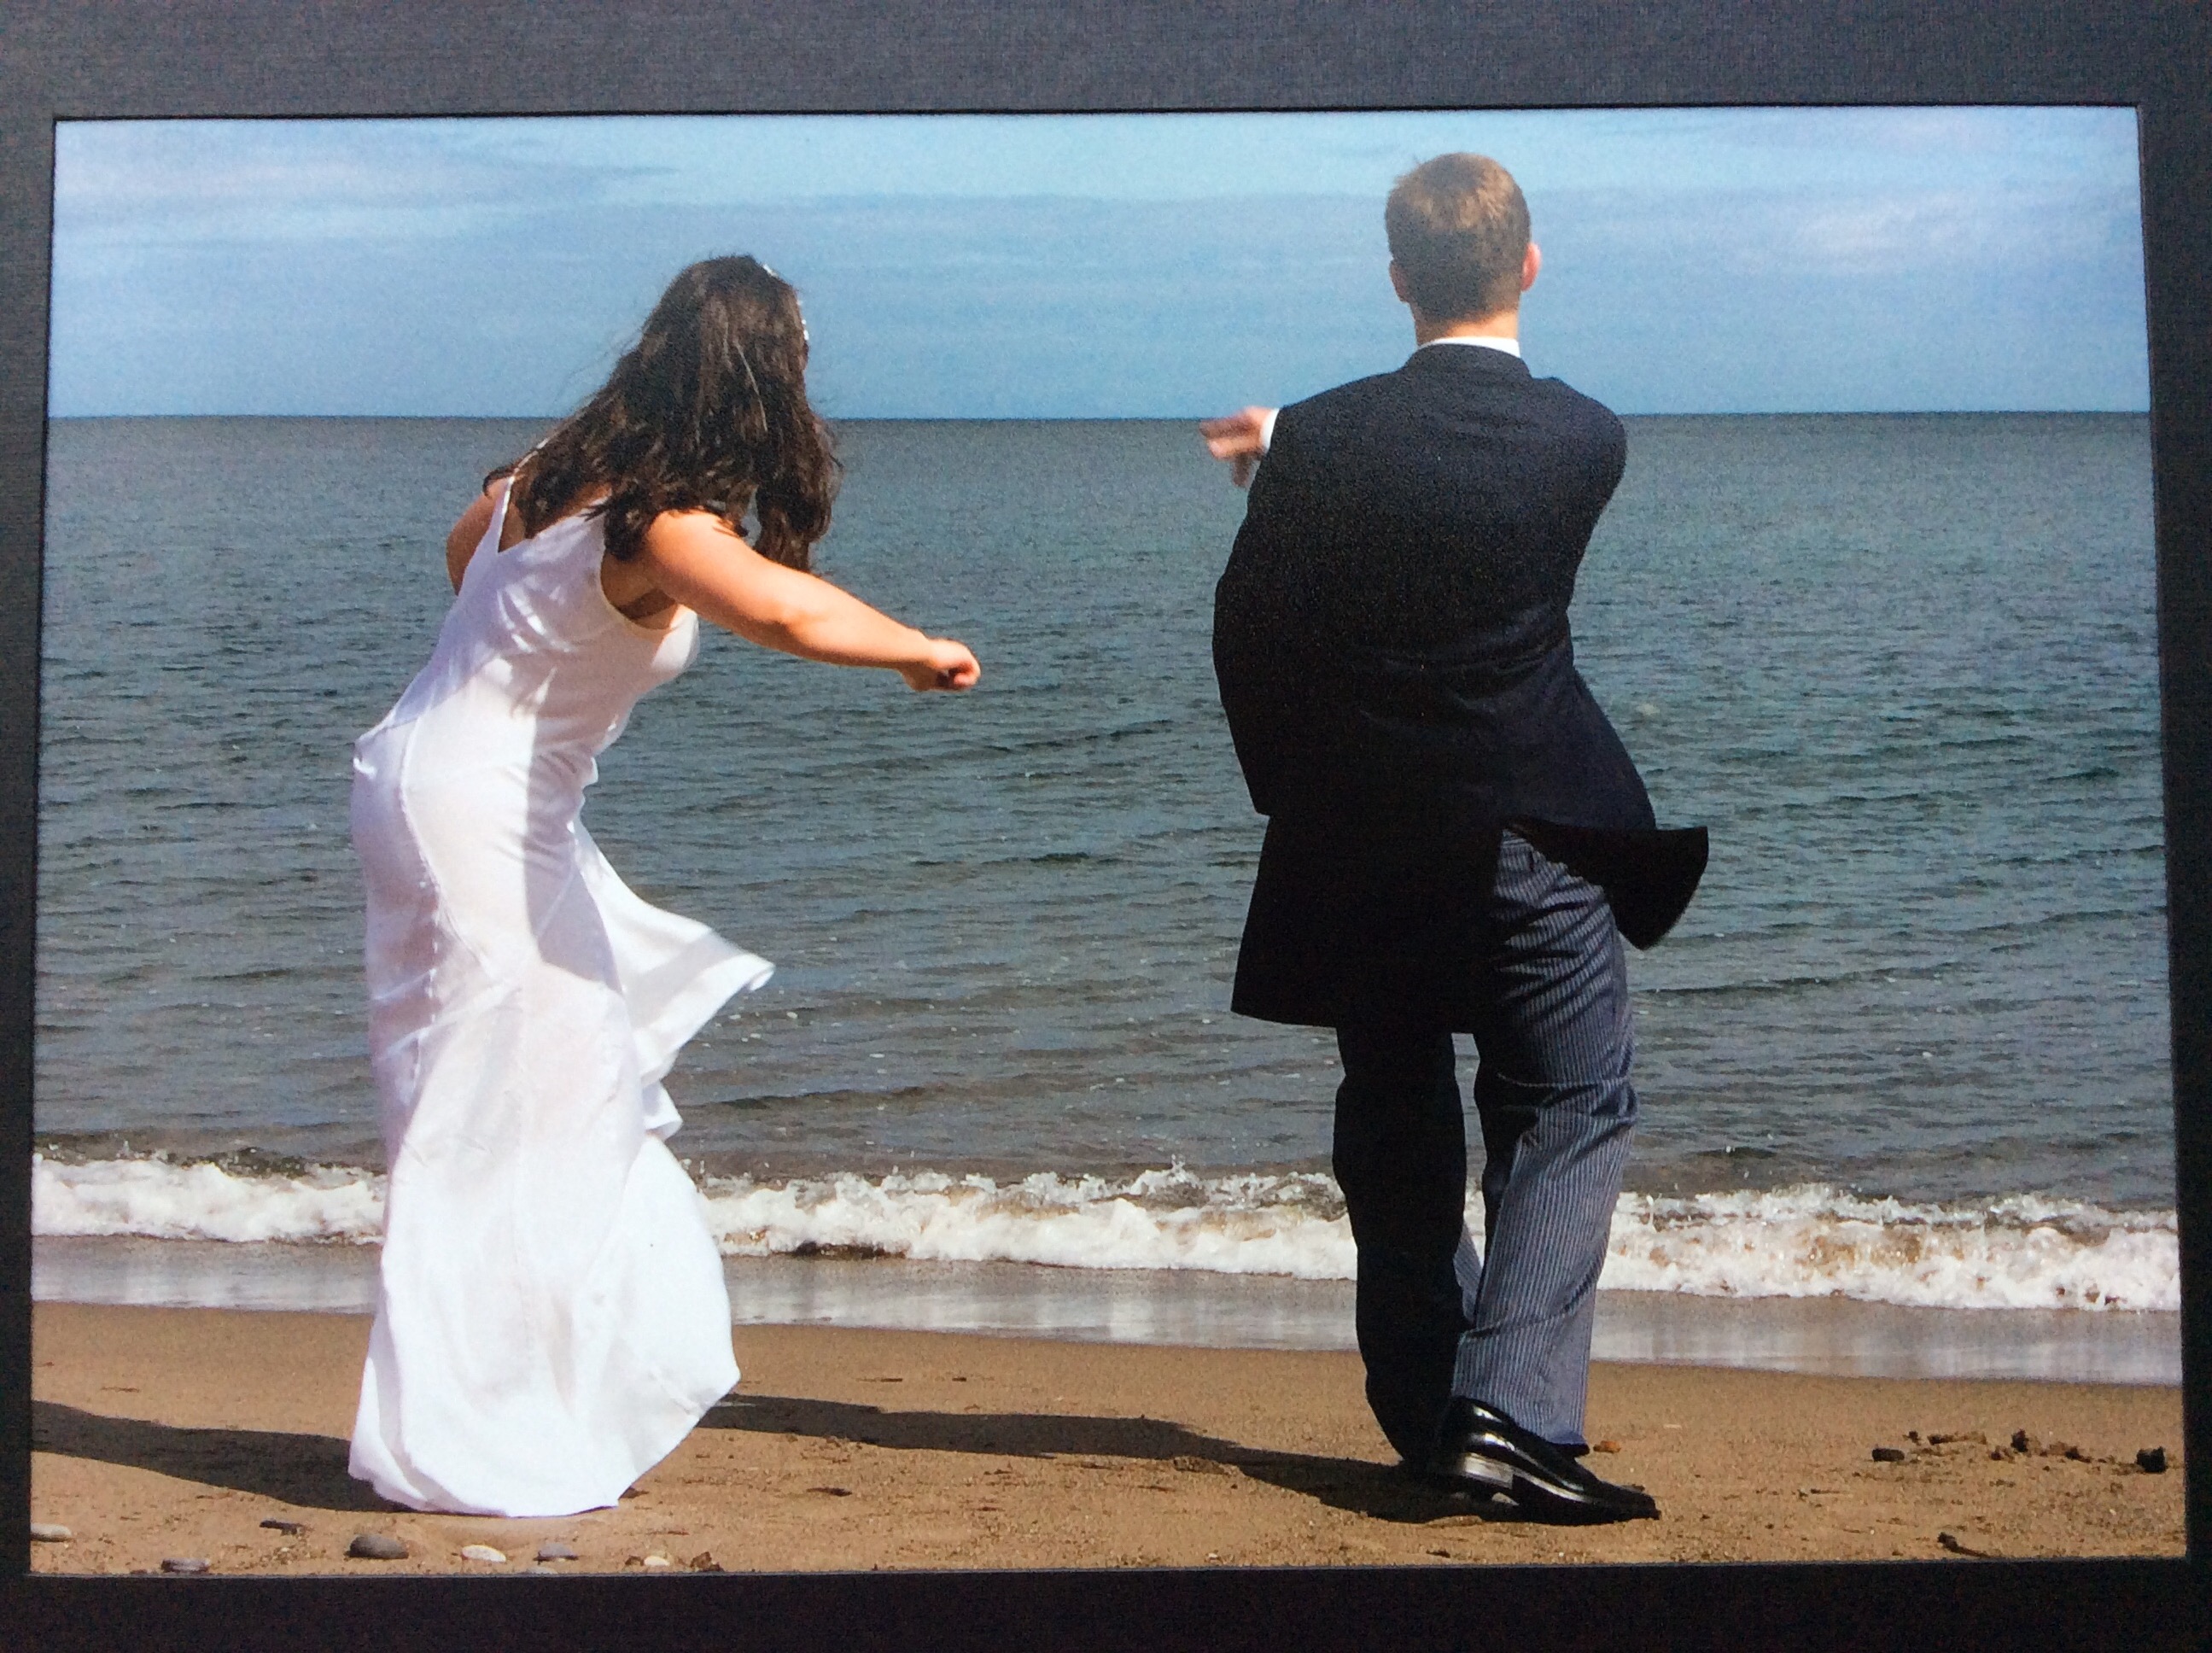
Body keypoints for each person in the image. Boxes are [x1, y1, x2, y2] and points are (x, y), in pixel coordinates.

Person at [347, 256, 979, 1518]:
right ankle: (470, 1428)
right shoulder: (656, 523)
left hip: (429, 781)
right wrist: (918, 650)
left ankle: (532, 1391)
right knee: (506, 1098)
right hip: (478, 811)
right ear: (756, 378)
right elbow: (783, 614)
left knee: (554, 1075)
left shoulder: (543, 478)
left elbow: (465, 558)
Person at [1202, 155, 1704, 1524]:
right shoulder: (1586, 439)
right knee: (1569, 1100)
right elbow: (1455, 489)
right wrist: (1293, 447)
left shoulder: (1321, 440)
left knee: (1397, 1111)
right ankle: (1510, 1415)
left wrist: (1291, 785)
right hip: (1529, 825)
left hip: (1357, 836)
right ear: (1528, 265)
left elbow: (1248, 629)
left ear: (1396, 279)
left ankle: (1435, 1411)